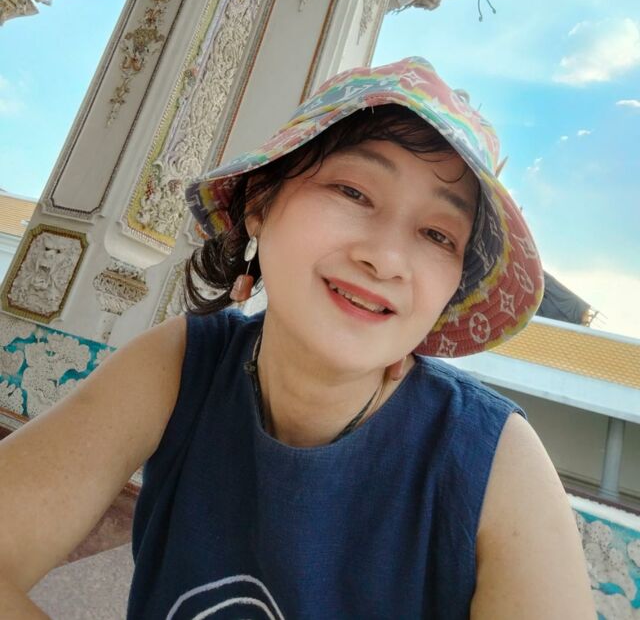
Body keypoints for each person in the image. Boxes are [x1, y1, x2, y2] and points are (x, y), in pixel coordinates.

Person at [0, 57, 595, 619]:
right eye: (353, 192)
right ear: (261, 202)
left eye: (438, 235)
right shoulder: (180, 363)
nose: (387, 260)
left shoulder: (494, 460)